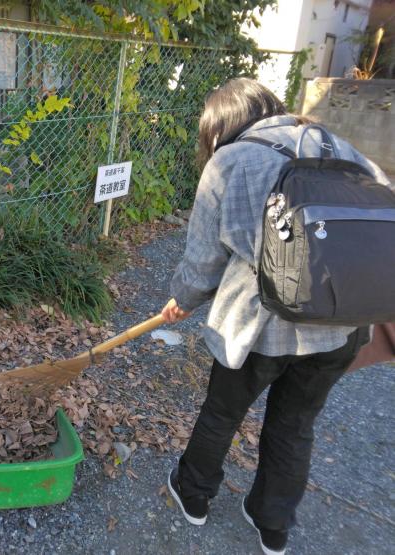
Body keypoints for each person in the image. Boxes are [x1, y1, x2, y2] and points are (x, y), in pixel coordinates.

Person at [160, 78, 391, 555]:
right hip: (340, 325)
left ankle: (194, 496)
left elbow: (204, 261)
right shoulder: (340, 146)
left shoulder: (231, 160)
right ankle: (272, 523)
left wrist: (183, 298)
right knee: (296, 423)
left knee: (222, 413)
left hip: (259, 327)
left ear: (221, 125)